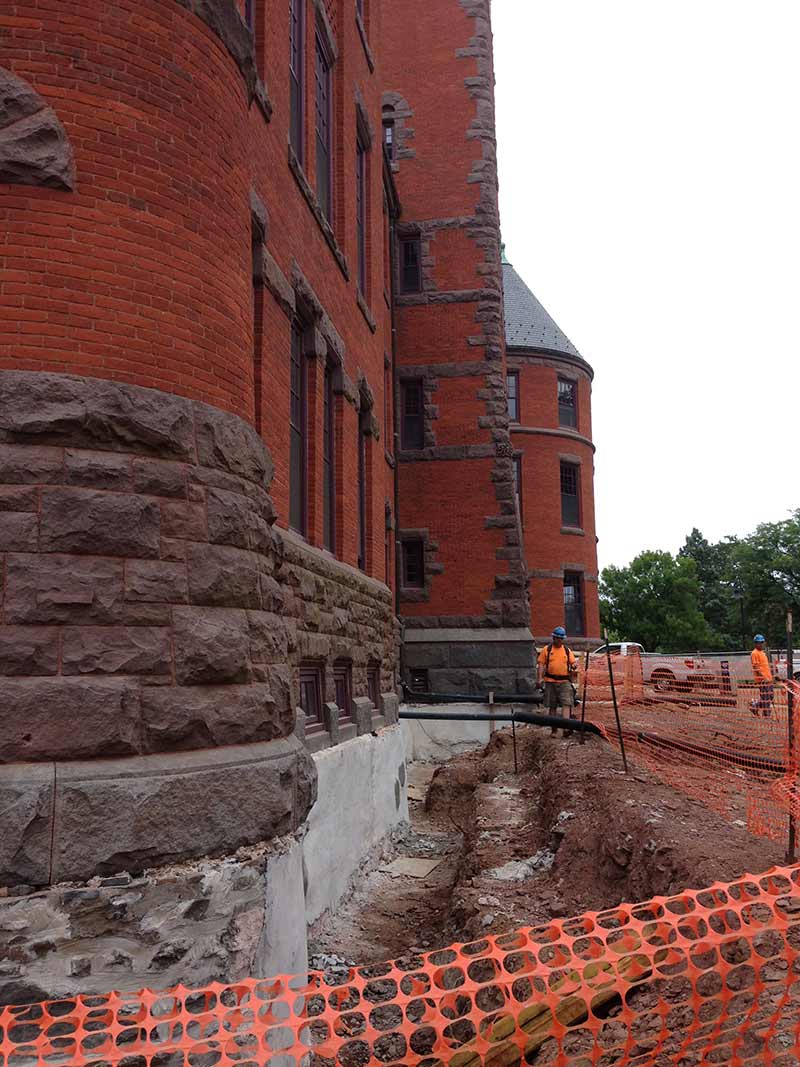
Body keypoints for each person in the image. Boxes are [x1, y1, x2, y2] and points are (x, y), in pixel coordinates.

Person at [537, 626, 579, 736]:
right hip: (550, 681)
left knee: (566, 703)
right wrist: (540, 678)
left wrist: (574, 665)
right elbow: (541, 664)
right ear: (553, 638)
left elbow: (573, 662)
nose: (559, 640)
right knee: (552, 706)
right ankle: (554, 730)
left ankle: (565, 728)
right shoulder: (547, 650)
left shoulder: (566, 650)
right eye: (557, 638)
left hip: (564, 681)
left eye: (561, 639)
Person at [750, 634, 774, 719]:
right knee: (766, 697)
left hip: (768, 679)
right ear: (756, 643)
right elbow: (756, 667)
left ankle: (755, 705)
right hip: (762, 680)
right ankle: (766, 714)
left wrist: (771, 677)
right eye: (759, 643)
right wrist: (764, 678)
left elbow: (765, 667)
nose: (761, 644)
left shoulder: (763, 653)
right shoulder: (754, 653)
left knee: (770, 696)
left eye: (762, 642)